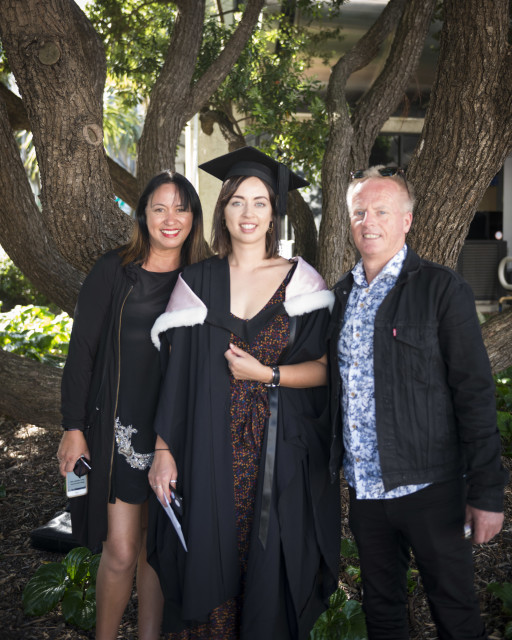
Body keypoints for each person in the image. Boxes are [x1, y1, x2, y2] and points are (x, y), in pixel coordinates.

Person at [147, 146, 340, 639]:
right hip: (207, 450)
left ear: (274, 213)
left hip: (279, 454)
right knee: (210, 559)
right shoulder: (197, 283)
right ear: (223, 211)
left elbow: (325, 371)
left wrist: (267, 374)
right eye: (237, 201)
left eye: (259, 202)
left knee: (270, 567)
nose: (248, 213)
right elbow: (174, 378)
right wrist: (164, 453)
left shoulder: (302, 283)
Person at [328, 166, 509, 639]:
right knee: (382, 614)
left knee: (455, 613)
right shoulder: (340, 296)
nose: (369, 222)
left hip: (432, 488)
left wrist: (487, 493)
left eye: (382, 211)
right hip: (366, 493)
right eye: (359, 212)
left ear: (406, 220)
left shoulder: (441, 289)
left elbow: (474, 393)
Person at [57, 171, 210, 640]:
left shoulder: (205, 278)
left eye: (181, 208)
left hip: (178, 432)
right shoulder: (114, 270)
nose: (170, 218)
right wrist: (73, 426)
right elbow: (82, 351)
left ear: (194, 217)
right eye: (159, 208)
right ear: (143, 215)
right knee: (121, 551)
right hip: (119, 430)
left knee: (155, 552)